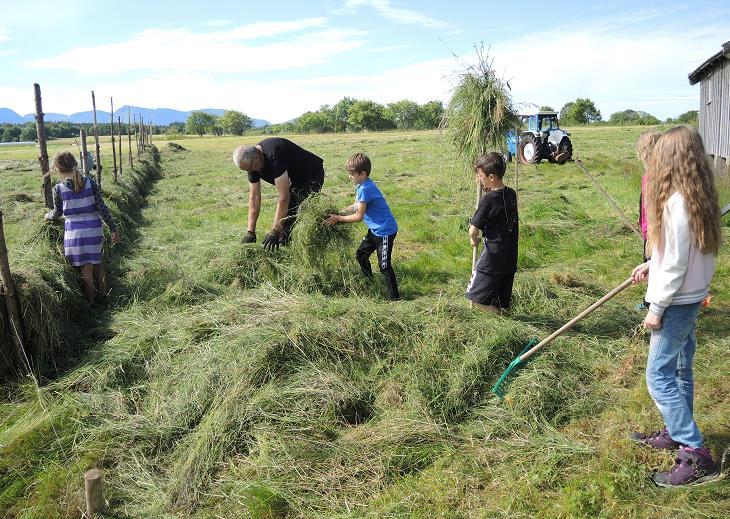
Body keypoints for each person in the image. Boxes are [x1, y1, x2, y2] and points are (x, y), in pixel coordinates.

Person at [629, 125, 721, 487]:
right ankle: (675, 429)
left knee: (658, 377)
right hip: (691, 295)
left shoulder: (676, 203)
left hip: (676, 301)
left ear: (672, 158)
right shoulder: (697, 197)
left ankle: (696, 453)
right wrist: (653, 262)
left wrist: (656, 306)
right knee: (681, 369)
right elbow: (685, 253)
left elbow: (677, 262)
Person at [44, 151, 120, 304]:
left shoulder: (58, 189)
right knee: (98, 264)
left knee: (85, 269)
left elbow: (57, 213)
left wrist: (47, 216)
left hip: (75, 232)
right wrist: (113, 228)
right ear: (74, 164)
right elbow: (102, 208)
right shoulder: (90, 182)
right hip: (94, 229)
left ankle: (91, 303)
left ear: (58, 169)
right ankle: (104, 296)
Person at [324, 153, 399, 300]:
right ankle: (370, 282)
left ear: (363, 173)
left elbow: (358, 216)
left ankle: (395, 298)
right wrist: (338, 212)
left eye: (352, 174)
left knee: (384, 266)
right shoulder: (361, 186)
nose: (349, 177)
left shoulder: (366, 188)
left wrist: (338, 218)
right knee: (361, 256)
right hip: (374, 230)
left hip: (385, 231)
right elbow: (355, 206)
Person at [232, 138, 325, 251]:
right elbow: (254, 198)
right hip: (294, 180)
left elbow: (284, 197)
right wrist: (250, 232)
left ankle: (311, 248)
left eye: (249, 168)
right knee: (286, 221)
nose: (250, 171)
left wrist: (274, 230)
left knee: (302, 214)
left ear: (255, 158)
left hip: (311, 174)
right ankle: (285, 248)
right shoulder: (252, 164)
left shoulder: (274, 155)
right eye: (246, 170)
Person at [466, 152, 518, 314]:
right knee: (501, 300)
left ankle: (497, 315)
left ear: (492, 177)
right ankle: (502, 313)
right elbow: (496, 200)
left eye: (481, 176)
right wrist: (484, 184)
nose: (479, 179)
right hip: (510, 254)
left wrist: (473, 240)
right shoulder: (511, 193)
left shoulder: (488, 200)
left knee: (475, 299)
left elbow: (473, 230)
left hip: (492, 257)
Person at [635, 130, 661, 309]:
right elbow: (644, 203)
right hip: (648, 228)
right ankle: (651, 299)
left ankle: (654, 303)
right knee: (649, 263)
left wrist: (650, 231)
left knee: (655, 265)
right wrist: (641, 222)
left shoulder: (659, 177)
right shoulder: (647, 176)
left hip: (656, 230)